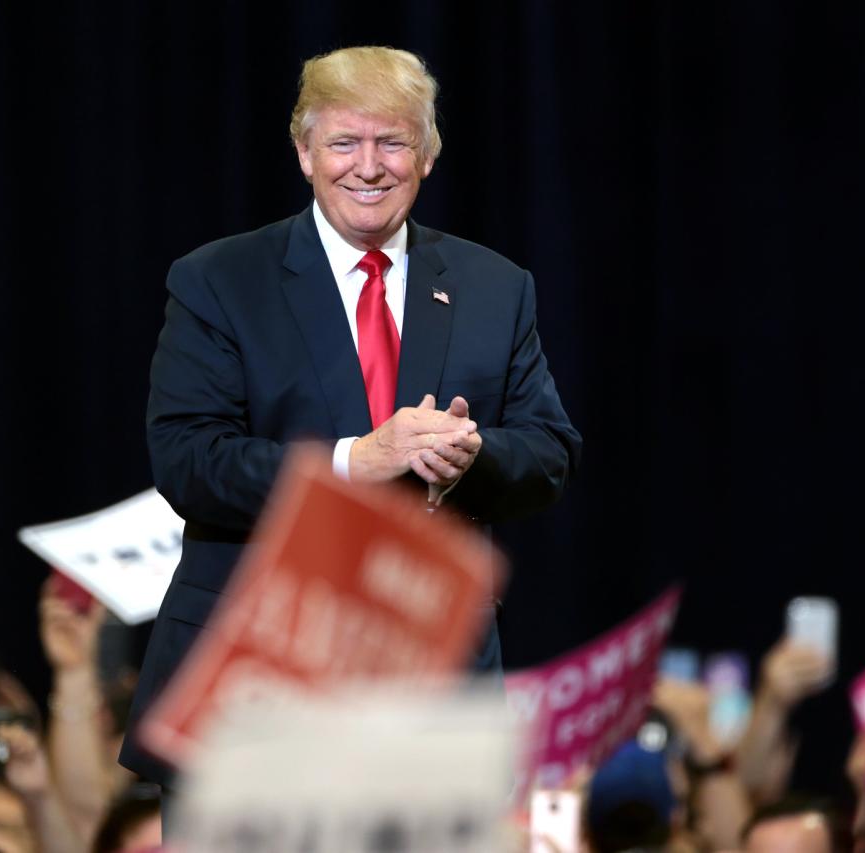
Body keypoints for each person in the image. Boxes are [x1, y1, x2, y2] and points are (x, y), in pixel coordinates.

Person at [119, 45, 582, 788]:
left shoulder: (496, 287)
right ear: (305, 154)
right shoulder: (219, 280)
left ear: (426, 156)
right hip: (256, 692)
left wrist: (473, 456)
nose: (368, 167)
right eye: (344, 142)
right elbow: (188, 460)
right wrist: (351, 462)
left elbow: (550, 450)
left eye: (392, 142)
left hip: (429, 695)